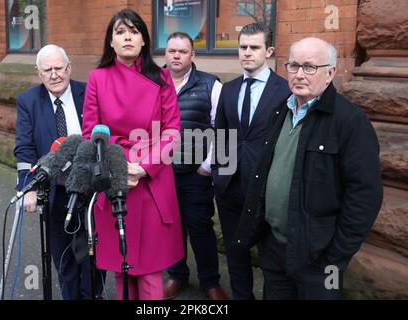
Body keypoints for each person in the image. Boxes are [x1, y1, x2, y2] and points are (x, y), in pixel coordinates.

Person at [233, 37, 383, 299]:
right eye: (293, 66)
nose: (299, 74)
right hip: (275, 249)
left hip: (323, 260)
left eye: (310, 67)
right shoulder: (280, 111)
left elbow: (365, 197)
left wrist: (335, 257)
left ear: (330, 73)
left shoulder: (350, 121)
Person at [81, 9, 184, 300]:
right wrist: (121, 163)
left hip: (152, 181)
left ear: (143, 41)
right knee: (121, 270)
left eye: (134, 31)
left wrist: (144, 166)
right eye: (120, 31)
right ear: (110, 42)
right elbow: (92, 130)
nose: (127, 36)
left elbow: (172, 132)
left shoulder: (162, 78)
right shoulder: (97, 78)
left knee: (151, 273)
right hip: (115, 178)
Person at [14, 44, 102, 299]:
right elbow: (24, 148)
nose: (54, 75)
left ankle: (92, 295)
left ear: (69, 68)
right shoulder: (28, 101)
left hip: (91, 191)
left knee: (93, 256)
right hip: (55, 191)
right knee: (64, 258)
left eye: (59, 68)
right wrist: (27, 187)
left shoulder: (89, 93)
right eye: (47, 70)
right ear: (38, 73)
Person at [213, 22, 291, 300]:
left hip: (268, 192)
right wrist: (218, 177)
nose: (247, 52)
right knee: (236, 255)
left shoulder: (286, 91)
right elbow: (221, 134)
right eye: (243, 46)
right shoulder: (229, 89)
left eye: (254, 47)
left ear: (268, 51)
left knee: (271, 260)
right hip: (230, 188)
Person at [162, 32, 229, 300]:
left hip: (196, 175)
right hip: (162, 172)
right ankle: (177, 276)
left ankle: (210, 282)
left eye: (183, 51)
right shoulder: (153, 82)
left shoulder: (211, 85)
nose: (176, 56)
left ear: (193, 55)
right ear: (165, 54)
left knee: (201, 229)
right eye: (172, 51)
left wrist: (207, 167)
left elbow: (222, 128)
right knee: (170, 228)